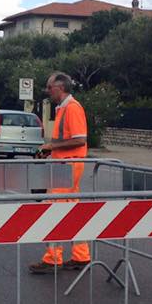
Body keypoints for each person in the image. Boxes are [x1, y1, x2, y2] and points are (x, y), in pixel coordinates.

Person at [29, 72, 91, 274]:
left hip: (68, 165)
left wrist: (50, 147)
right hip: (67, 163)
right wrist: (51, 150)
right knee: (71, 210)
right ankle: (81, 256)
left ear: (60, 87)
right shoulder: (64, 108)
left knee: (52, 209)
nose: (48, 91)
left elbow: (80, 139)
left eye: (50, 87)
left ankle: (53, 258)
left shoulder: (72, 108)